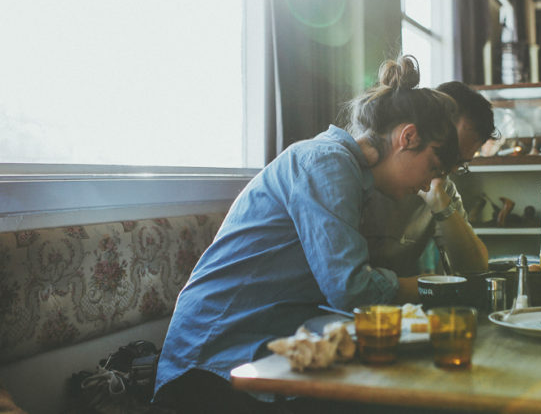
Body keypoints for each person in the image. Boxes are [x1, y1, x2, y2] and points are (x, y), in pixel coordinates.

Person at [152, 56, 460, 413]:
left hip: (256, 348)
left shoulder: (349, 173)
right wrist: (433, 284)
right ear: (407, 138)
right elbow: (350, 288)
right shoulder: (327, 164)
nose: (429, 183)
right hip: (210, 367)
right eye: (433, 168)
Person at [360, 81, 497, 276]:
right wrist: (430, 286)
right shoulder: (355, 177)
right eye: (446, 154)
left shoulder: (443, 187)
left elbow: (474, 269)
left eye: (459, 162)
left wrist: (440, 202)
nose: (447, 169)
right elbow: (348, 285)